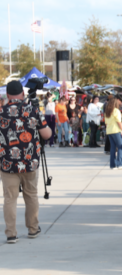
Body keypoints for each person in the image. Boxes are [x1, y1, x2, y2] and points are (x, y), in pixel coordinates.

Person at [1, 81, 52, 244]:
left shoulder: (1, 112)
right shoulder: (33, 110)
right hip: (29, 162)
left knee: (10, 198)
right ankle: (32, 228)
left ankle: (11, 234)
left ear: (7, 95)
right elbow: (46, 135)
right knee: (31, 195)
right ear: (22, 94)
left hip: (7, 163)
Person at [105, 95, 122, 170]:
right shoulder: (116, 111)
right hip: (115, 130)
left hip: (109, 131)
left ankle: (112, 165)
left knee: (113, 147)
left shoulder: (107, 112)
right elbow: (119, 122)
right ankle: (120, 163)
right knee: (120, 146)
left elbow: (106, 123)